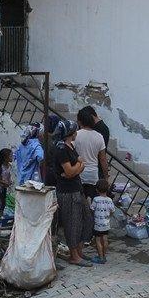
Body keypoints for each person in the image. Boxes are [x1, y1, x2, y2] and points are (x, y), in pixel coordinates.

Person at [51, 120, 92, 267]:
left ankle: (79, 251)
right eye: (74, 130)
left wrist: (77, 167)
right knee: (72, 223)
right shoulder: (61, 149)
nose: (76, 133)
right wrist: (79, 166)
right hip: (67, 192)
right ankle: (74, 256)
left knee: (87, 219)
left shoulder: (70, 147)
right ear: (69, 133)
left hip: (77, 188)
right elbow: (69, 172)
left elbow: (76, 168)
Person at [74, 107, 108, 201]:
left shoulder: (76, 135)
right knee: (93, 202)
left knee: (79, 201)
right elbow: (103, 159)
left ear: (80, 122)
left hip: (79, 173)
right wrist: (106, 176)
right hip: (93, 174)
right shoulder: (99, 137)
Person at [89, 178, 114, 264]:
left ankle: (100, 257)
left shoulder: (96, 199)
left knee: (98, 240)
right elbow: (112, 211)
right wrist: (108, 216)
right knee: (105, 239)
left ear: (96, 189)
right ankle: (104, 255)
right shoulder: (109, 200)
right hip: (106, 223)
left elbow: (92, 209)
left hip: (98, 224)